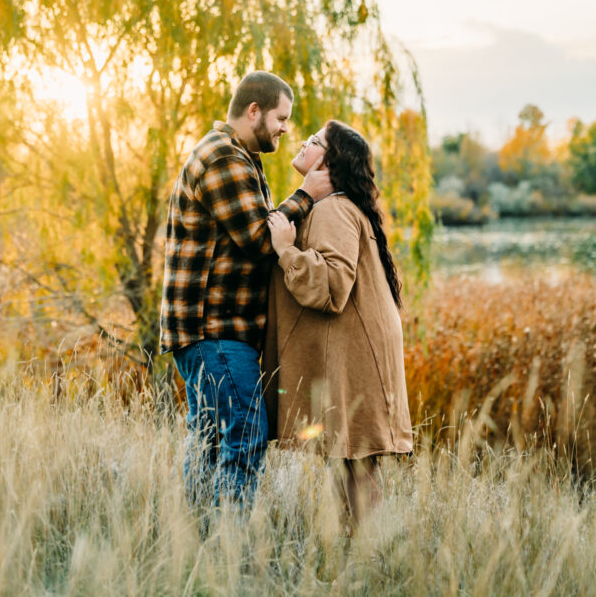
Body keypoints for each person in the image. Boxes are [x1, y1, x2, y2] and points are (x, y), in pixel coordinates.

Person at [159, 71, 333, 508]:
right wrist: (306, 194)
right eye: (281, 117)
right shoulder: (222, 157)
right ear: (253, 110)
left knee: (210, 442)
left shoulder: (241, 156)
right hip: (214, 330)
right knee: (245, 437)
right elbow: (260, 239)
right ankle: (227, 554)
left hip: (213, 332)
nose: (285, 128)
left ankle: (195, 548)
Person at [262, 119, 413, 531]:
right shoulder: (336, 207)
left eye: (312, 142)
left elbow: (331, 287)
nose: (301, 142)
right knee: (351, 462)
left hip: (356, 354)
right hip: (355, 349)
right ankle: (358, 561)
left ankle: (360, 564)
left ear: (327, 165)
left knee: (355, 464)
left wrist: (285, 250)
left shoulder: (332, 210)